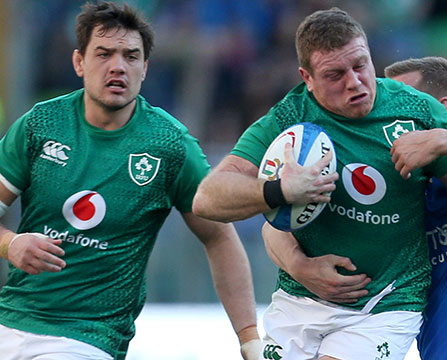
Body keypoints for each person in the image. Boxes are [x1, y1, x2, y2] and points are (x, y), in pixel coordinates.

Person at [193, 8, 447, 360]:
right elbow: (207, 198)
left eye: (360, 65)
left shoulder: (418, 111)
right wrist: (279, 191)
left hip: (385, 303)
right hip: (299, 301)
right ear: (306, 78)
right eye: (335, 74)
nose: (354, 82)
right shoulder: (289, 118)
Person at [0, 2, 260, 360]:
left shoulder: (169, 145)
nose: (118, 66)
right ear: (79, 62)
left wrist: (249, 340)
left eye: (131, 56)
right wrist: (10, 244)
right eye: (104, 54)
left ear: (145, 68)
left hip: (87, 338)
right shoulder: (40, 125)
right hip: (10, 320)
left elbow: (219, 237)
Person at [263, 56, 447, 359]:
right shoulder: (400, 193)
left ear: (441, 110)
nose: (387, 111)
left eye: (403, 100)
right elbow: (277, 225)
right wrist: (301, 266)